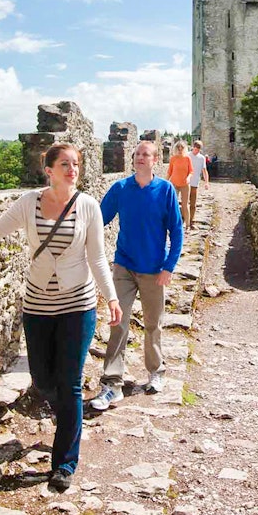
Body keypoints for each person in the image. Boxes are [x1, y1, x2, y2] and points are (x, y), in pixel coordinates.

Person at [0, 143, 121, 493]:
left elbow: (98, 258)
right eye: (65, 164)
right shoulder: (29, 203)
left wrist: (111, 296)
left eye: (76, 165)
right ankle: (68, 417)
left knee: (70, 382)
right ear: (49, 169)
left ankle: (64, 463)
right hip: (38, 305)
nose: (72, 170)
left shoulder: (88, 207)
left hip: (77, 305)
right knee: (43, 380)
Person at [90, 141, 184, 410]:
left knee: (153, 323)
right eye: (138, 154)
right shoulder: (121, 188)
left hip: (154, 270)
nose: (141, 158)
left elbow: (176, 231)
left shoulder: (164, 190)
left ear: (155, 160)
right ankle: (112, 384)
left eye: (146, 154)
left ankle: (156, 371)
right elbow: (98, 218)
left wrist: (169, 266)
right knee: (118, 322)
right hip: (124, 267)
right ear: (133, 159)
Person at [166, 140, 192, 228]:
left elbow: (191, 171)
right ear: (176, 149)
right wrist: (165, 183)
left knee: (185, 205)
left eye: (182, 148)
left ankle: (188, 225)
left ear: (184, 149)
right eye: (178, 148)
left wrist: (188, 177)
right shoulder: (173, 159)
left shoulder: (187, 158)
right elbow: (169, 172)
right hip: (174, 184)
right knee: (173, 204)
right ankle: (175, 224)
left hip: (185, 184)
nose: (180, 150)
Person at [186, 140, 210, 229]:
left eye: (198, 149)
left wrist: (207, 182)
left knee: (193, 204)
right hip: (186, 183)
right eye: (195, 149)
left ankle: (191, 221)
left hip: (195, 183)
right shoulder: (187, 155)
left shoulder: (202, 158)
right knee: (185, 204)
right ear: (193, 147)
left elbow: (204, 170)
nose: (196, 151)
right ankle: (184, 220)